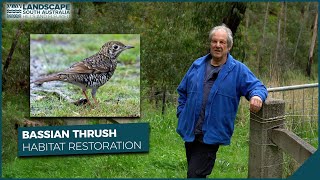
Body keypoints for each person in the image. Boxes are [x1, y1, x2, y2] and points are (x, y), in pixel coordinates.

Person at [176, 24, 268, 178]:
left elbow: (257, 86)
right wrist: (182, 112)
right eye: (214, 41)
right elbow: (182, 91)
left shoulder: (238, 70)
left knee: (195, 174)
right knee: (193, 171)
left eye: (222, 42)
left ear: (229, 46)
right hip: (191, 130)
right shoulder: (197, 65)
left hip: (211, 135)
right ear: (210, 44)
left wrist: (257, 96)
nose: (217, 45)